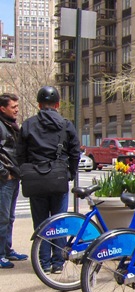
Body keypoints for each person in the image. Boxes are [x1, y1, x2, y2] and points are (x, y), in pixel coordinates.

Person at [17, 86, 80, 274]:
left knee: (41, 221)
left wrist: (26, 171)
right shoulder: (66, 125)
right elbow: (75, 152)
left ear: (39, 105)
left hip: (36, 178)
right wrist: (71, 173)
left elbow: (20, 154)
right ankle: (58, 262)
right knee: (59, 221)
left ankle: (43, 262)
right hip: (59, 177)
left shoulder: (28, 124)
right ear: (58, 105)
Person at [0, 93, 28, 269]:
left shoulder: (10, 125)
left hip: (13, 176)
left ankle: (7, 249)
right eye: (13, 107)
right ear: (3, 108)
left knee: (9, 217)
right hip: (5, 179)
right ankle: (1, 254)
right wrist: (4, 173)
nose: (17, 109)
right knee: (2, 218)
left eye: (17, 106)